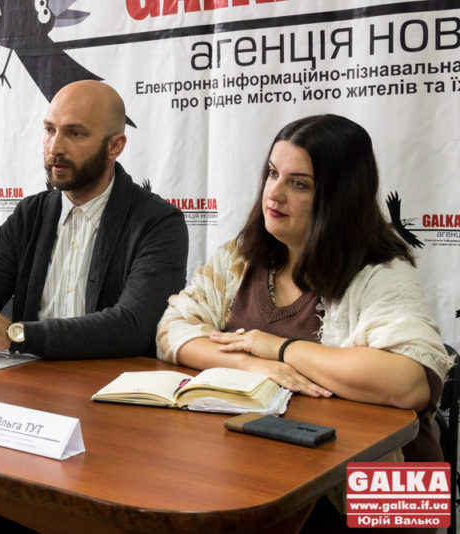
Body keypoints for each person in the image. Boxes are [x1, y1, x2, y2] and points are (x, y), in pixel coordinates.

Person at [157, 114, 450, 462]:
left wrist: (278, 348)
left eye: (299, 184)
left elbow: (409, 384)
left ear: (341, 197)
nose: (273, 193)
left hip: (376, 481)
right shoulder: (238, 256)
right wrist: (251, 364)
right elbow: (171, 331)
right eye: (273, 173)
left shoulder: (381, 271)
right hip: (270, 458)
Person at [0, 80, 188, 359]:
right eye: (50, 130)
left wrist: (15, 334)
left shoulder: (158, 222)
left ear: (115, 146)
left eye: (75, 133)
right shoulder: (30, 213)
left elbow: (133, 326)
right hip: (29, 375)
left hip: (109, 379)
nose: (55, 148)